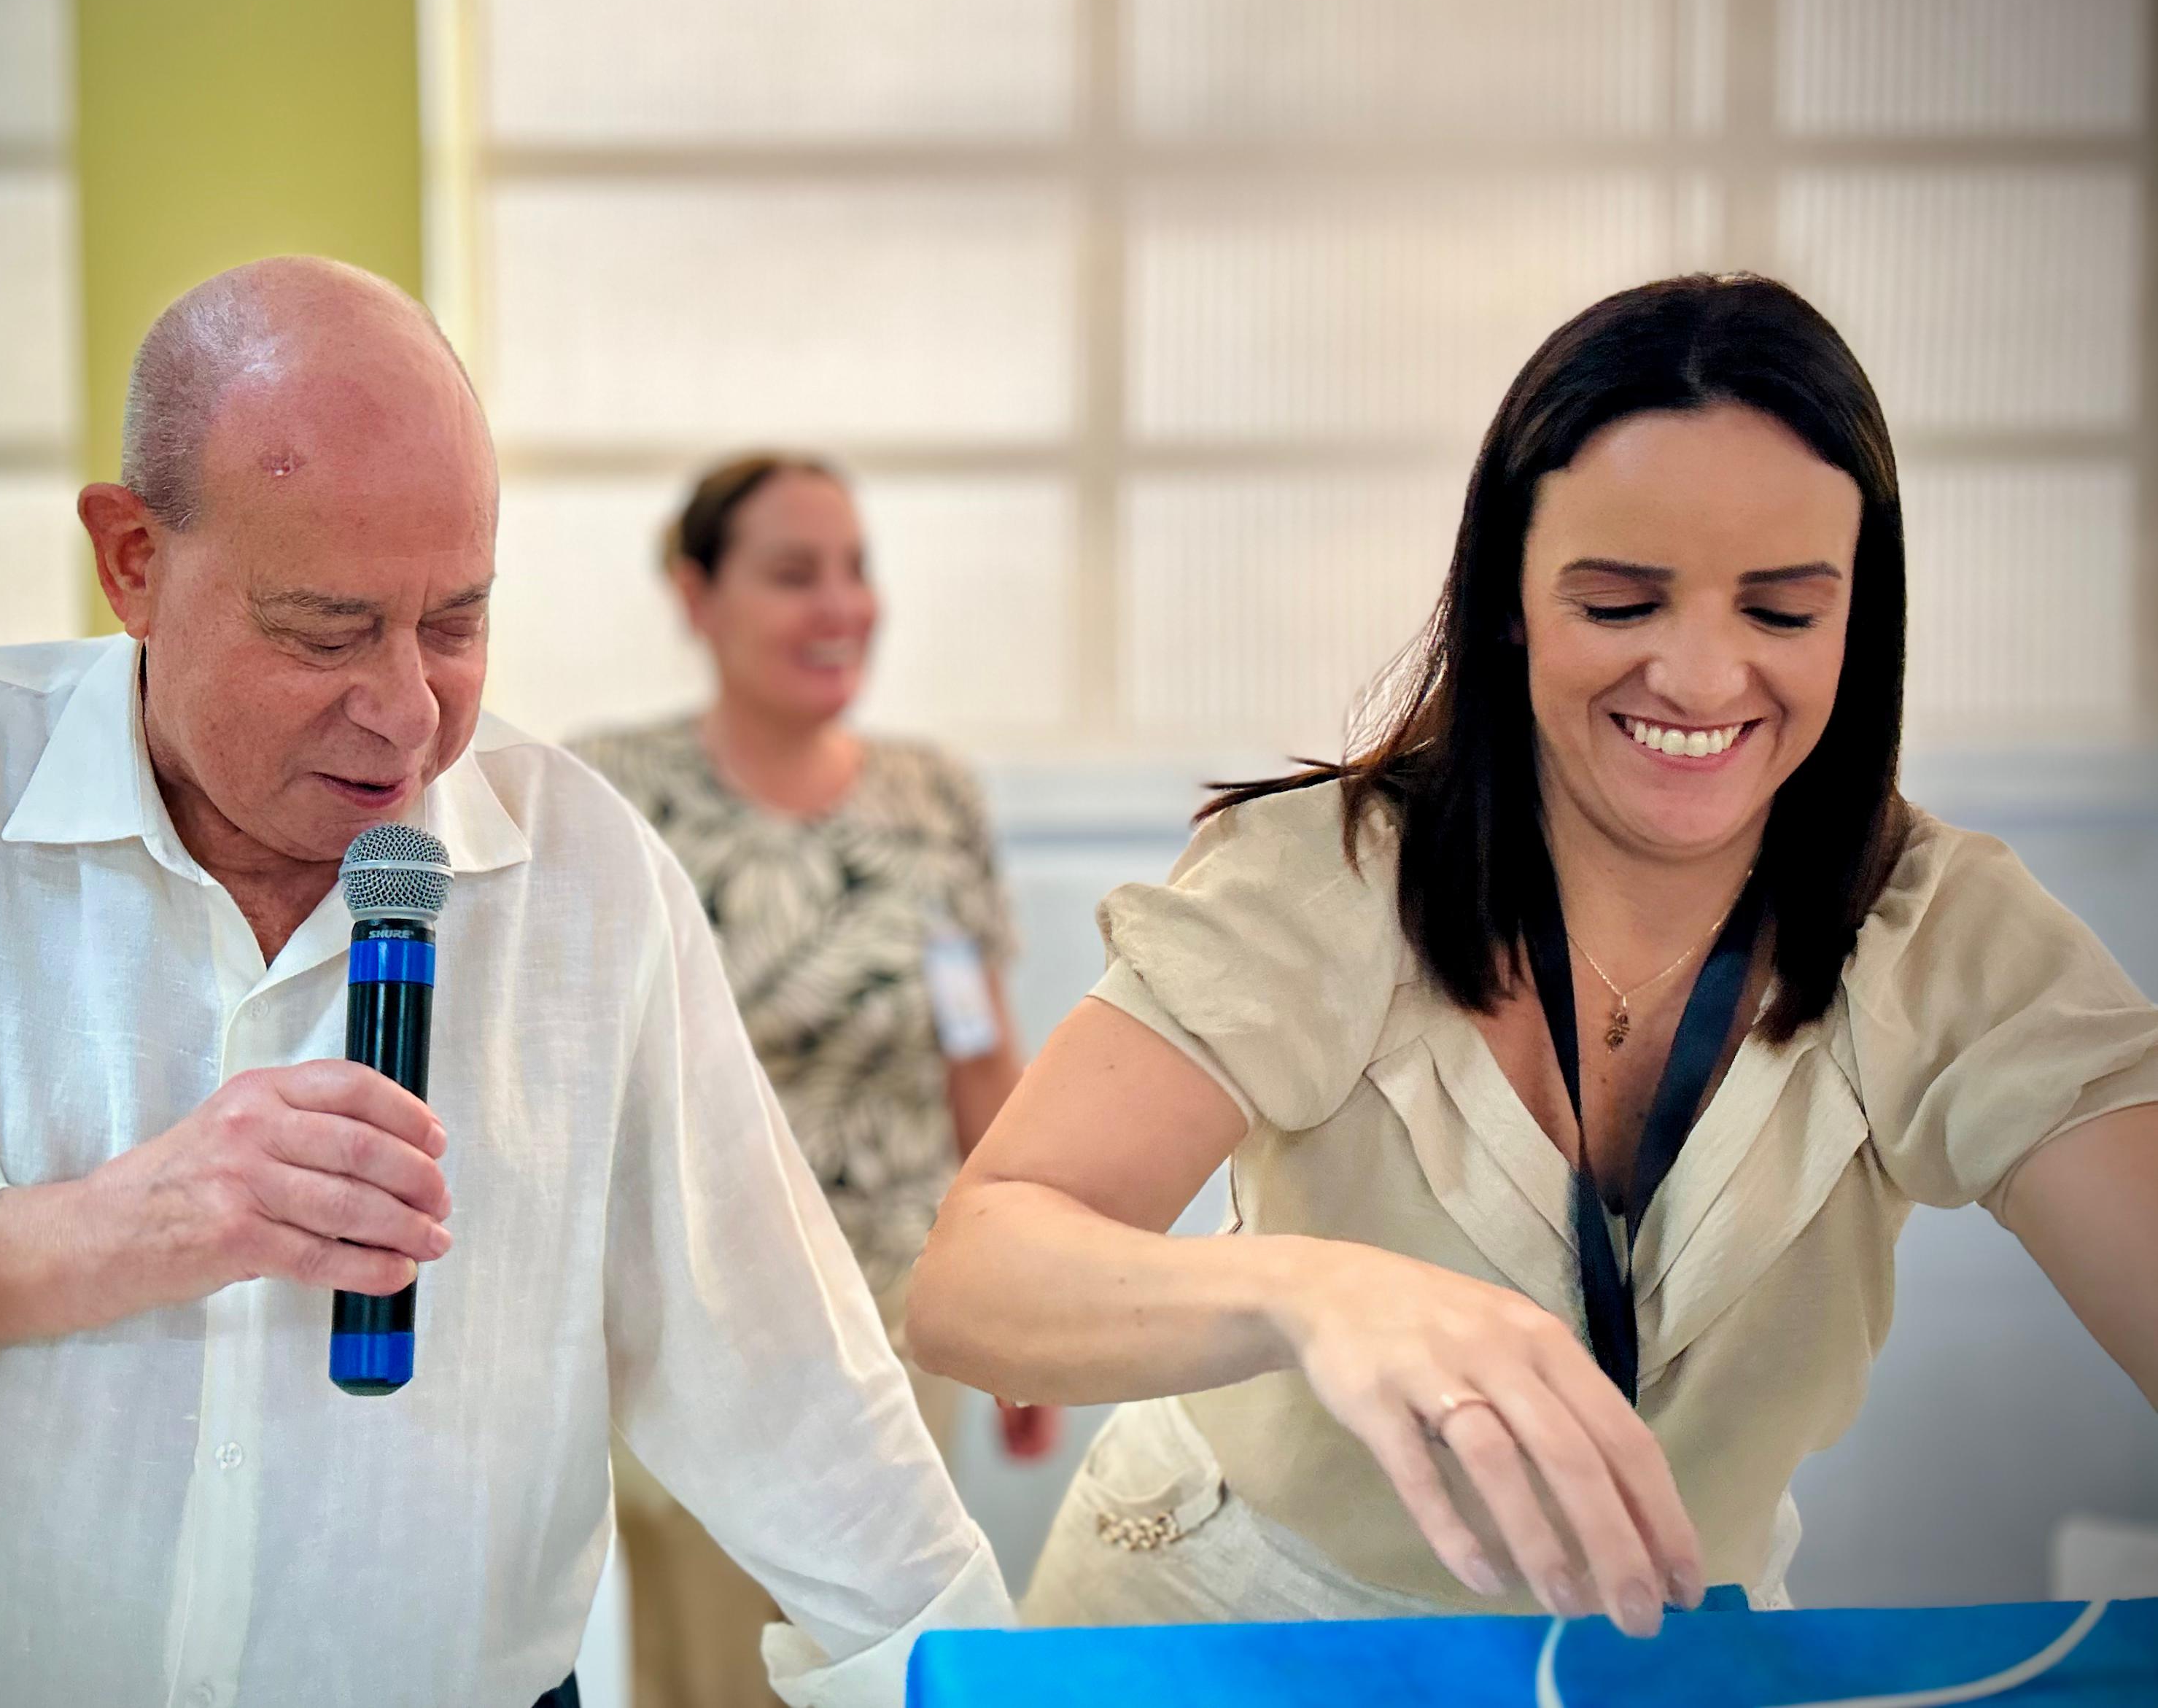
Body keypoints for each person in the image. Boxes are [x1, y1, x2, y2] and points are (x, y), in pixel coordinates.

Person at [0, 258, 1009, 1707]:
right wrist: (84, 1236)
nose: (405, 712)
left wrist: (972, 1671)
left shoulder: (587, 874)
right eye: (324, 631)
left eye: (454, 624)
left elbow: (778, 1363)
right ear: (132, 561)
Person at [905, 274, 2158, 1638]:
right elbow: (974, 1280)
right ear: (1506, 595)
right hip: (1226, 1613)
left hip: (1655, 1647)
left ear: (1860, 618)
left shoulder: (1943, 930)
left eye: (1782, 613)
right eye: (1619, 604)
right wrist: (1313, 1293)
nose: (1700, 679)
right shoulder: (1330, 878)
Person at [571, 455, 1051, 1708]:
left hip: (899, 1322)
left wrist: (1027, 1313)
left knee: (885, 1668)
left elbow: (979, 1066)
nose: (840, 605)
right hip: (694, 1325)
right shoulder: (611, 793)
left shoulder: (929, 797)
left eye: (854, 569)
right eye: (793, 574)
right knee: (711, 1678)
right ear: (696, 594)